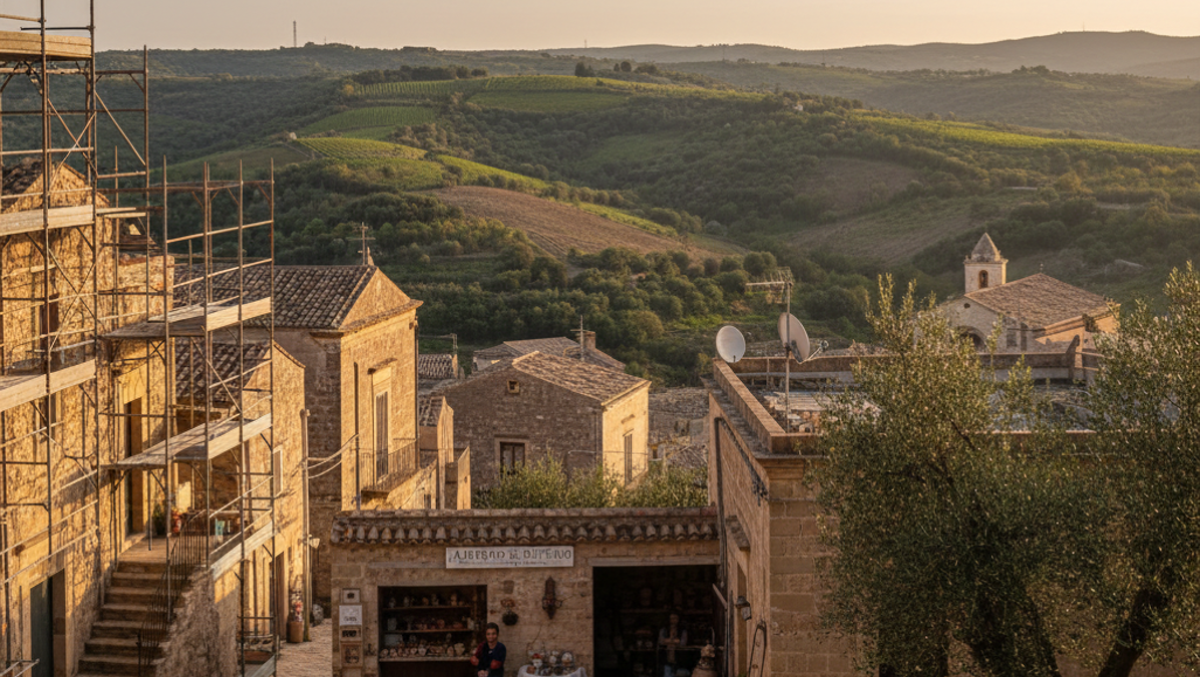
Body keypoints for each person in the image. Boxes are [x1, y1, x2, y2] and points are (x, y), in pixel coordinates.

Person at [658, 612, 688, 677]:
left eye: (675, 618)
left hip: (679, 659)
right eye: (672, 619)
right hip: (666, 658)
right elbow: (661, 641)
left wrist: (670, 641)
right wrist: (673, 641)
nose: (673, 621)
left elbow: (682, 643)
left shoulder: (682, 630)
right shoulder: (664, 630)